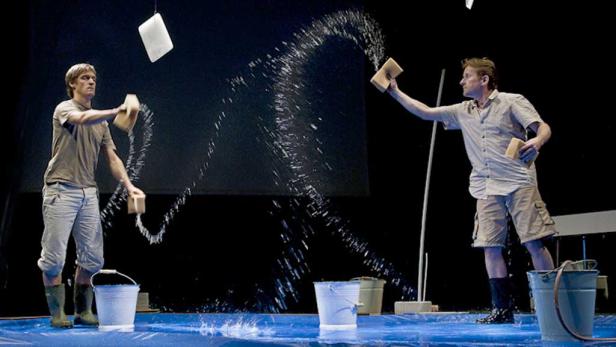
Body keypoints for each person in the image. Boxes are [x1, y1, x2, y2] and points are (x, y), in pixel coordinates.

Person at [386, 57, 556, 324]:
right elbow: (425, 111)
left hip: (518, 181)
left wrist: (538, 140)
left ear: (484, 80)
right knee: (490, 246)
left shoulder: (512, 101)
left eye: (467, 76)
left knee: (534, 242)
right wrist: (394, 92)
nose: (461, 81)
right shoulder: (463, 110)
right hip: (485, 187)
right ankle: (502, 309)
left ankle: (552, 305)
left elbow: (542, 127)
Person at [37, 63, 144, 328]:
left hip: (87, 193)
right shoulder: (64, 109)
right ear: (73, 84)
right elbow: (82, 118)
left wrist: (129, 186)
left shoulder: (102, 125)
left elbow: (112, 158)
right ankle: (57, 314)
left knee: (93, 259)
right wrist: (114, 111)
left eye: (94, 78)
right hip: (60, 190)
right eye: (85, 78)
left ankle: (83, 311)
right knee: (53, 259)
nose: (91, 81)